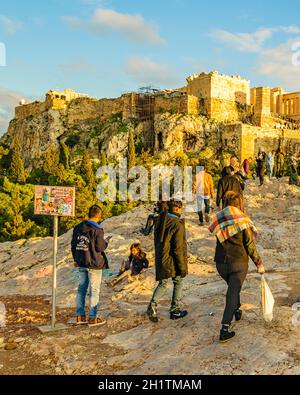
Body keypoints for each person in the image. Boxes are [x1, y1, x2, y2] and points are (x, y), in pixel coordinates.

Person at [209, 191, 265, 343]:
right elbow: (249, 245)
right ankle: (224, 328)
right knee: (232, 292)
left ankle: (237, 309)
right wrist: (259, 263)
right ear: (239, 203)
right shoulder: (242, 220)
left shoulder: (218, 219)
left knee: (233, 288)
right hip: (239, 263)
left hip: (221, 263)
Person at [147, 199, 188, 322]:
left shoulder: (161, 219)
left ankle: (152, 306)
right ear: (177, 209)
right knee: (178, 281)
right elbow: (178, 248)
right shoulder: (177, 224)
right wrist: (182, 267)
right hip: (172, 259)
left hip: (161, 257)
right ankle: (175, 310)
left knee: (163, 283)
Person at [71, 205, 110, 327]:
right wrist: (106, 242)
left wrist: (75, 259)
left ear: (89, 214)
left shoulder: (78, 227)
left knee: (81, 289)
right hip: (94, 263)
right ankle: (92, 318)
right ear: (99, 216)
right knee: (94, 290)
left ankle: (80, 316)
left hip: (81, 261)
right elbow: (100, 247)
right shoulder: (97, 230)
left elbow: (73, 245)